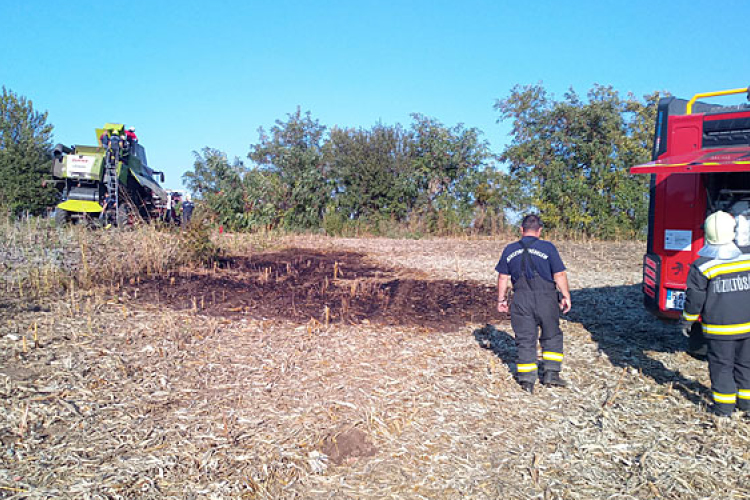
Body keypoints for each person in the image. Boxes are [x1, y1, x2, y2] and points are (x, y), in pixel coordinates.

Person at [680, 211, 750, 417]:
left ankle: (723, 408)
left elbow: (695, 299)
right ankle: (746, 405)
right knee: (746, 364)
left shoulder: (702, 265)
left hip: (720, 329)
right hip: (748, 325)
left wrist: (687, 320)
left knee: (721, 366)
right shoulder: (747, 258)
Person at [495, 214, 571, 393]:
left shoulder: (509, 249)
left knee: (525, 339)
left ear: (521, 230)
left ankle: (527, 381)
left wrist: (501, 300)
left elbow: (502, 277)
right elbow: (559, 275)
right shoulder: (548, 247)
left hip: (521, 299)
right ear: (540, 230)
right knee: (551, 335)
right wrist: (566, 295)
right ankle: (551, 374)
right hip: (546, 299)